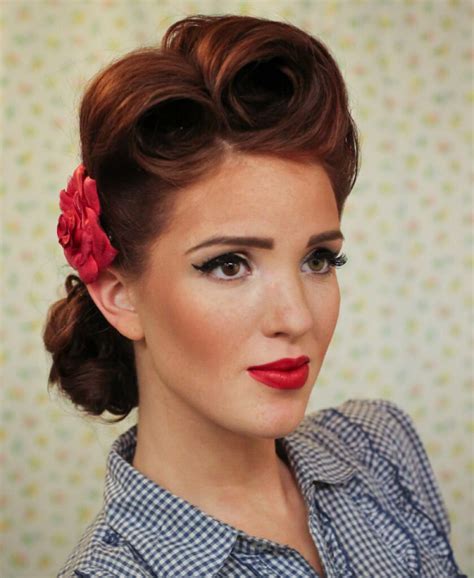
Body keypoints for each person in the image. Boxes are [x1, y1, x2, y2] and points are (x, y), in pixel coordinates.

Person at [43, 14, 465, 578]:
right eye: (229, 265)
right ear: (121, 297)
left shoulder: (380, 447)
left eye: (319, 259)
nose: (296, 317)